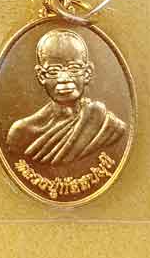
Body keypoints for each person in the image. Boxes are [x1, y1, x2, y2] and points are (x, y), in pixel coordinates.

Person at [7, 29, 126, 165]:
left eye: (74, 68)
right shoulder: (21, 132)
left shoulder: (106, 124)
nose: (63, 78)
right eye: (53, 70)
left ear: (87, 73)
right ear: (41, 76)